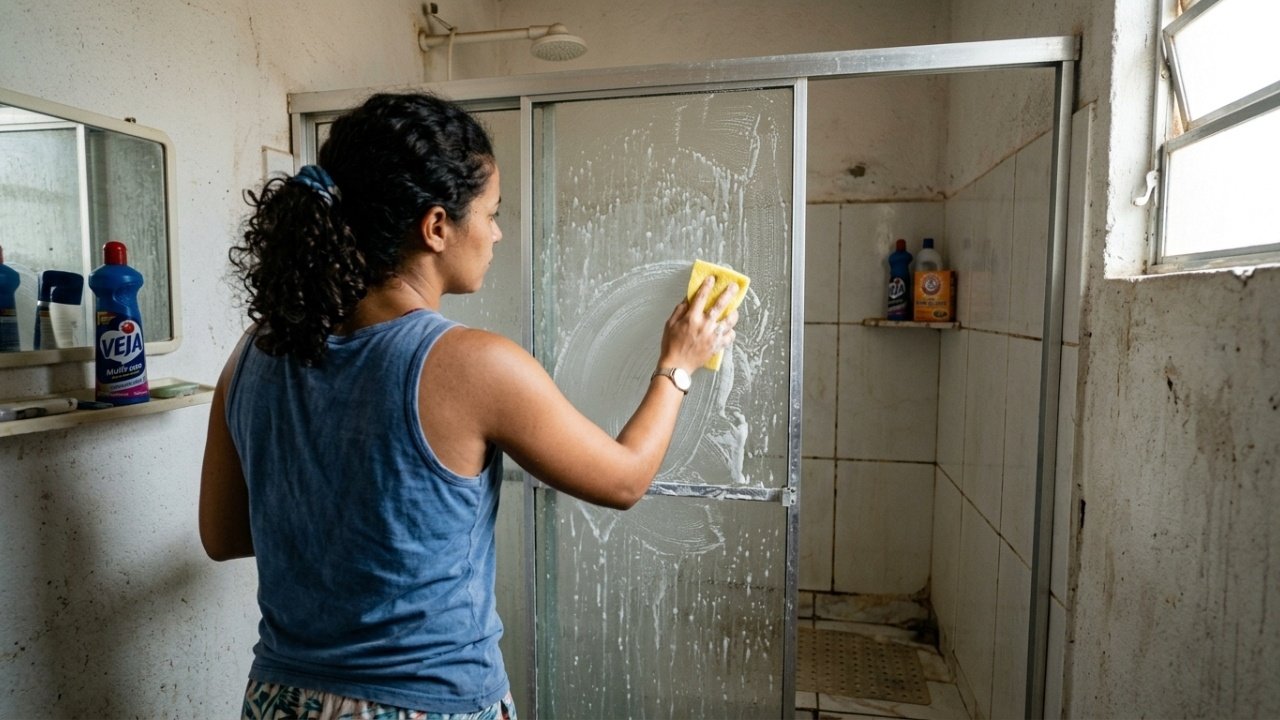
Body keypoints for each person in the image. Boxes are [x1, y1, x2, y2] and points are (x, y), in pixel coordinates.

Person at [199, 92, 739, 720]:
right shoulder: (470, 364)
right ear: (435, 227)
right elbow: (624, 480)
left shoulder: (255, 351)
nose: (498, 232)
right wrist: (678, 363)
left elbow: (224, 535)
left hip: (279, 700)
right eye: (491, 212)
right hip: (426, 705)